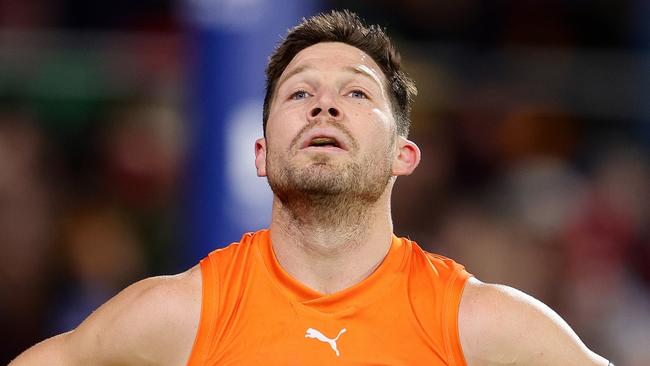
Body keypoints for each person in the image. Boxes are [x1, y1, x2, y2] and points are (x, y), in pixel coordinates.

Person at [11, 10, 613, 366]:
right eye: (300, 93)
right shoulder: (179, 317)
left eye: (355, 93)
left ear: (405, 155)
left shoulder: (484, 328)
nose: (324, 105)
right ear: (261, 153)